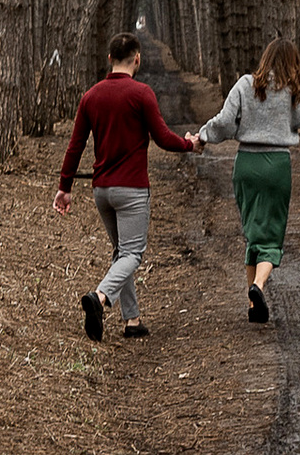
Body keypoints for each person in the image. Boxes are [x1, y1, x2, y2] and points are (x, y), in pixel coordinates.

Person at [54, 34, 198, 342]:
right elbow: (161, 137)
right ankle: (101, 297)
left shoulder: (90, 96)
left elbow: (75, 145)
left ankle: (132, 320)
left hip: (102, 191)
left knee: (122, 252)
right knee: (133, 253)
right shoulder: (141, 93)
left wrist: (64, 187)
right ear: (138, 58)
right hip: (131, 189)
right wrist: (189, 144)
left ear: (109, 59)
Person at [197, 39, 300, 322]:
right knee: (271, 234)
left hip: (247, 164)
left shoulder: (244, 84)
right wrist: (298, 92)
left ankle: (253, 306)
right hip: (276, 165)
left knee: (253, 232)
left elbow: (226, 121)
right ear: (293, 62)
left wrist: (203, 136)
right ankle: (258, 286)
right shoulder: (291, 91)